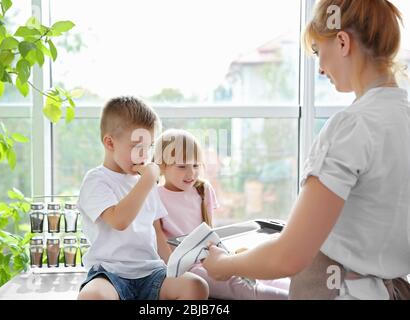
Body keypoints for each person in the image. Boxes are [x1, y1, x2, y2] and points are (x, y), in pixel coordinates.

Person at [202, 0, 410, 300]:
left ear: (342, 42)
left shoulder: (352, 126)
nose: (320, 67)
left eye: (317, 51)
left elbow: (289, 256)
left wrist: (224, 264)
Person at [76, 96, 209, 300]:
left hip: (151, 271)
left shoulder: (144, 181)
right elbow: (119, 220)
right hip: (110, 274)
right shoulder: (96, 180)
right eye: (137, 147)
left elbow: (156, 232)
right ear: (110, 143)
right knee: (93, 296)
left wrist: (175, 266)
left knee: (196, 286)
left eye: (148, 147)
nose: (144, 155)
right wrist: (147, 180)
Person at [154, 129, 289, 300]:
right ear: (162, 166)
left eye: (195, 165)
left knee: (258, 275)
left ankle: (309, 294)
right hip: (186, 269)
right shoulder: (155, 196)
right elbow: (159, 241)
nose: (191, 173)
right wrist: (175, 273)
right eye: (182, 166)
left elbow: (210, 233)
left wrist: (225, 259)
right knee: (244, 288)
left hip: (209, 259)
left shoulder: (202, 190)